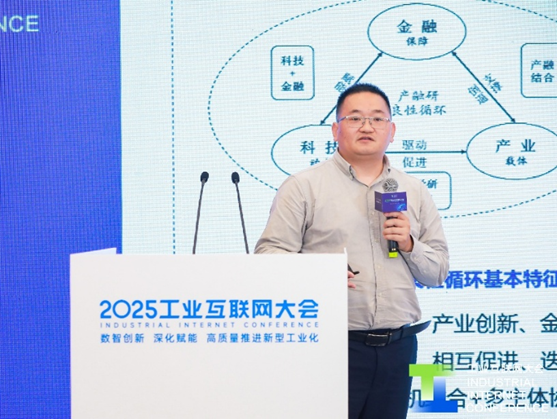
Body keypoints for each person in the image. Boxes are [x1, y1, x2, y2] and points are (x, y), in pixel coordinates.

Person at [255, 83, 449, 418]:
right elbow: (268, 256)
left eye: (377, 119)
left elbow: (438, 272)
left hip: (399, 349)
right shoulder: (303, 186)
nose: (367, 126)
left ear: (392, 131)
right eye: (355, 118)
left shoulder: (414, 190)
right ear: (335, 130)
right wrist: (319, 274)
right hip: (328, 346)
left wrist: (409, 244)